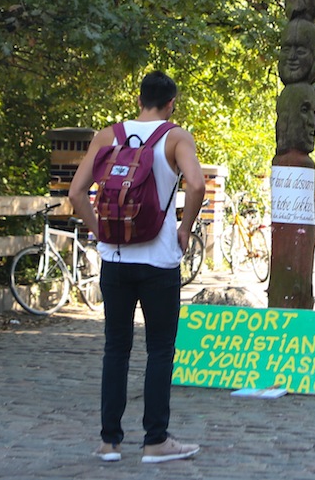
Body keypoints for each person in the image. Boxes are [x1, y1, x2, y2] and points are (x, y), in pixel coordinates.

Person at [68, 70, 203, 464]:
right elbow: (195, 184)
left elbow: (76, 192)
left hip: (116, 261)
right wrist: (184, 228)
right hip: (159, 260)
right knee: (160, 350)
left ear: (139, 98)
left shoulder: (108, 135)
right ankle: (155, 441)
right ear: (171, 103)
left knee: (116, 348)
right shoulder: (176, 137)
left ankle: (109, 442)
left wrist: (102, 233)